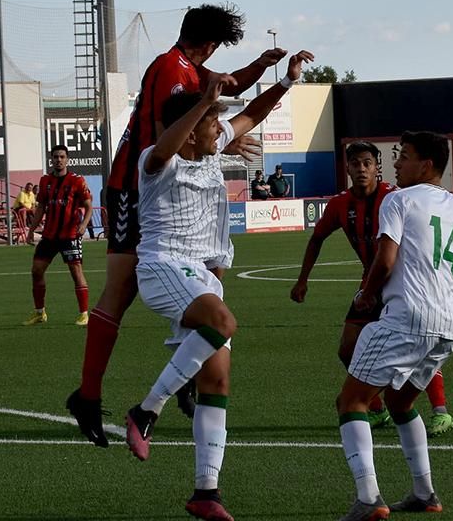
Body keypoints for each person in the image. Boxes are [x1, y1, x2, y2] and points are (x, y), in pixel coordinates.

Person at [67, 3, 284, 446]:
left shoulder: (184, 66)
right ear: (208, 44)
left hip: (173, 186)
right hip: (137, 185)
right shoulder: (171, 69)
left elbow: (223, 90)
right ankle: (89, 395)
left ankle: (186, 370)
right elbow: (173, 126)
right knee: (121, 289)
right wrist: (226, 135)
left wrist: (260, 69)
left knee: (209, 269)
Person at [124, 52, 313, 521]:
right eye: (213, 124)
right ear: (192, 127)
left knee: (218, 380)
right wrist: (203, 101)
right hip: (162, 267)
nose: (222, 131)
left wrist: (286, 82)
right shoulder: (157, 159)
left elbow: (253, 114)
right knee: (225, 323)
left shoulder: (211, 144)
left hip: (202, 277)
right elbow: (167, 147)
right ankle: (146, 410)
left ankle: (206, 491)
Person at [334, 131, 453, 520]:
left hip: (407, 318)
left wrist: (366, 295)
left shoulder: (398, 200)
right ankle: (425, 493)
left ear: (426, 165)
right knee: (400, 402)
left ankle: (368, 498)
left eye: (404, 156)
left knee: (351, 402)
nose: (395, 163)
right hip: (448, 326)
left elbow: (384, 261)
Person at [291, 141, 453, 437]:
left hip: (403, 281)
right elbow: (316, 238)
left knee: (417, 350)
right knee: (347, 349)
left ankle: (441, 412)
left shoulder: (396, 197)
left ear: (377, 167)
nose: (362, 169)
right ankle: (377, 409)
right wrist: (303, 279)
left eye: (368, 163)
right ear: (348, 169)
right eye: (356, 164)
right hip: (371, 281)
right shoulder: (340, 204)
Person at [23, 145, 94, 327]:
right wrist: (31, 229)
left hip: (69, 235)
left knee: (76, 272)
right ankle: (40, 312)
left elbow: (88, 205)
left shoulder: (77, 181)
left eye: (62, 157)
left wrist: (84, 225)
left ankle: (84, 314)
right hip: (49, 235)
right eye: (55, 157)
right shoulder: (45, 180)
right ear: (51, 159)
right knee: (36, 270)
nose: (58, 160)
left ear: (67, 159)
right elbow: (41, 207)